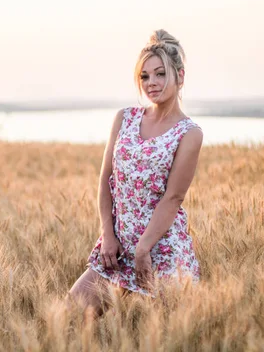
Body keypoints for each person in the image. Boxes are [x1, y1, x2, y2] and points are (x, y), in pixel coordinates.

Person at [68, 29, 203, 317]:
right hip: (117, 246)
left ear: (180, 77)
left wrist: (144, 249)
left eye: (160, 74)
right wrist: (107, 233)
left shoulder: (189, 133)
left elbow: (173, 198)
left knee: (168, 336)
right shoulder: (125, 118)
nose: (151, 83)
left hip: (162, 250)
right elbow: (106, 179)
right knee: (71, 312)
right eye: (144, 76)